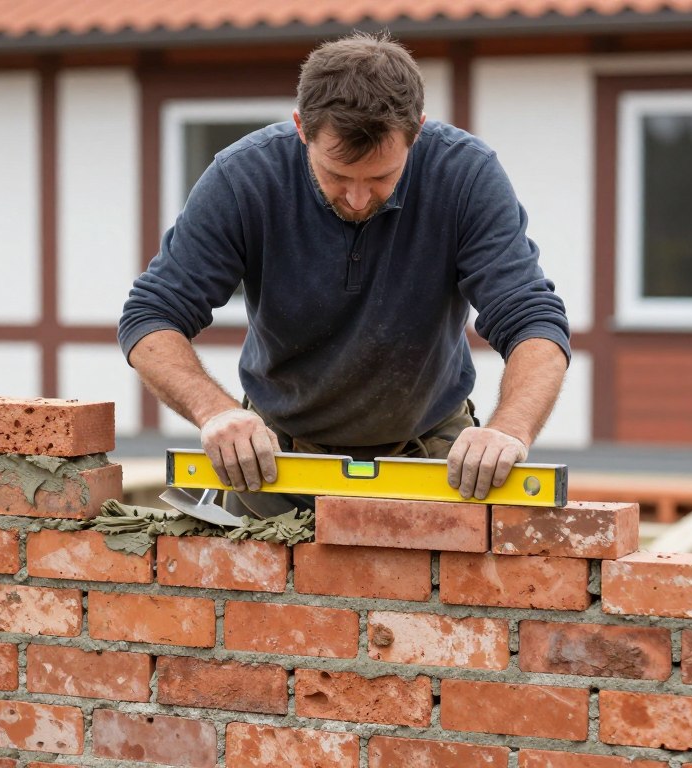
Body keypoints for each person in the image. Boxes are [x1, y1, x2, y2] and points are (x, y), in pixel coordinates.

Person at [119, 31, 570, 515]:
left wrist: (509, 429)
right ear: (301, 127)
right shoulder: (243, 178)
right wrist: (215, 412)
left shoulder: (465, 176)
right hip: (274, 462)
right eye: (336, 175)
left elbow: (533, 321)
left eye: (381, 178)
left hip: (430, 457)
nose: (357, 199)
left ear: (416, 132)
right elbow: (151, 317)